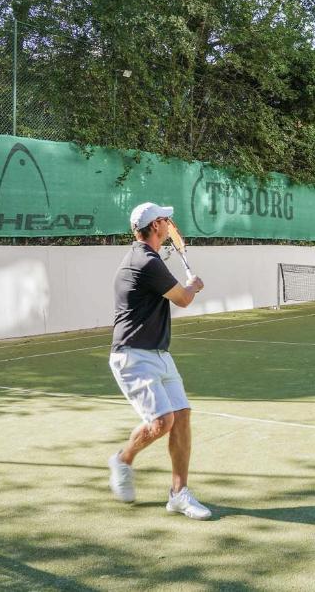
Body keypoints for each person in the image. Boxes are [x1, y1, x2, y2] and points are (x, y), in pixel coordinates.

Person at [107, 201, 211, 519]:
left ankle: (179, 494)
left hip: (158, 353)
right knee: (162, 421)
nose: (170, 225)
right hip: (132, 355)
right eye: (166, 220)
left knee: (181, 415)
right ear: (155, 226)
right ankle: (123, 459)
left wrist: (188, 288)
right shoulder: (144, 260)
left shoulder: (150, 257)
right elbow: (182, 298)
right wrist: (193, 285)